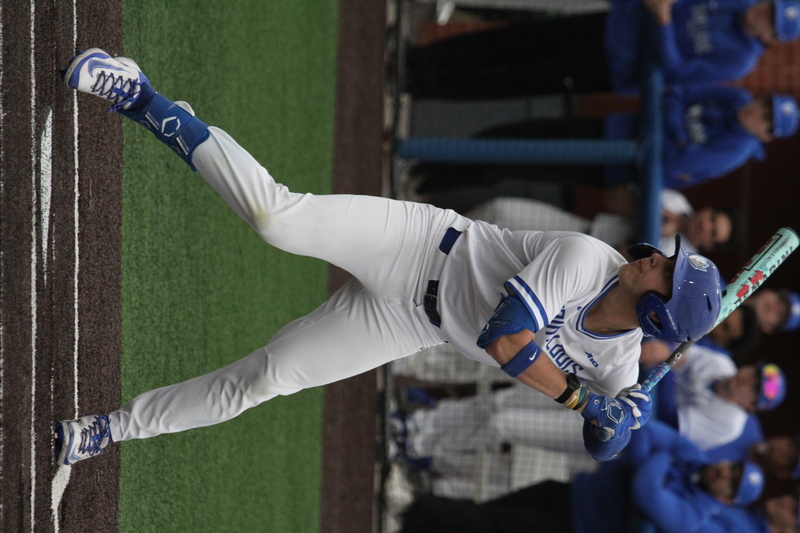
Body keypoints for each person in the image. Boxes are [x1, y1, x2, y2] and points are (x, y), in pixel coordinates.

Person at [53, 48, 723, 466]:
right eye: (669, 255)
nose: (658, 257)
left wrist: (624, 416)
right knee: (276, 218)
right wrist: (586, 399)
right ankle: (142, 96)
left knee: (268, 377)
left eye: (668, 271)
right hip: (419, 243)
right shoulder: (586, 258)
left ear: (659, 312)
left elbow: (603, 446)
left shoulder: (621, 361)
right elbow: (506, 338)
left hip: (410, 325)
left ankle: (108, 430)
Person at [410, 85, 800, 193]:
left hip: (605, 165)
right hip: (605, 129)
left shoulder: (734, 150)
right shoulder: (736, 98)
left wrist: (670, 128)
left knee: (507, 162)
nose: (758, 111)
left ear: (766, 135)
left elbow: (675, 162)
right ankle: (422, 164)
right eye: (766, 105)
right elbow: (676, 93)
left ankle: (422, 183)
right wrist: (674, 129)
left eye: (766, 119)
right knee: (509, 135)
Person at [398, 421, 766, 533]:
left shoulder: (694, 515)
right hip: (572, 491)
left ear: (727, 499)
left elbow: (645, 490)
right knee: (487, 514)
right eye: (734, 468)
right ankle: (412, 520)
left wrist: (660, 459)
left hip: (577, 527)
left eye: (731, 482)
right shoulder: (695, 457)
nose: (725, 472)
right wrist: (659, 458)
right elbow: (644, 431)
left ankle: (409, 506)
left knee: (489, 523)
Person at [406, 0, 800, 99]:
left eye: (771, 20)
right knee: (509, 41)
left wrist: (662, 20)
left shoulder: (740, 59)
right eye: (770, 6)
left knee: (516, 81)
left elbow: (679, 76)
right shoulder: (737, 2)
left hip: (612, 66)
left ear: (771, 38)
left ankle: (425, 86)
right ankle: (422, 61)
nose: (762, 12)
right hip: (611, 24)